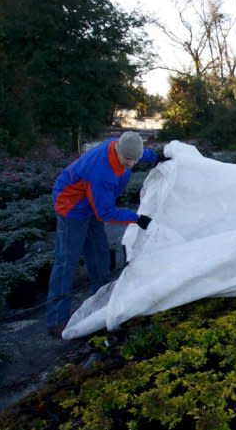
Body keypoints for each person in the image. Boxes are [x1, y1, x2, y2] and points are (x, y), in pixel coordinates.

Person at [46, 131, 169, 338]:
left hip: (92, 202)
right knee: (66, 261)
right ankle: (56, 320)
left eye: (134, 160)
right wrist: (137, 218)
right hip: (72, 206)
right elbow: (105, 212)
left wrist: (156, 157)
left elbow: (139, 152)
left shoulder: (124, 148)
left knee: (99, 253)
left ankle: (101, 304)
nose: (130, 164)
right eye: (127, 160)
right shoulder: (101, 171)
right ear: (118, 151)